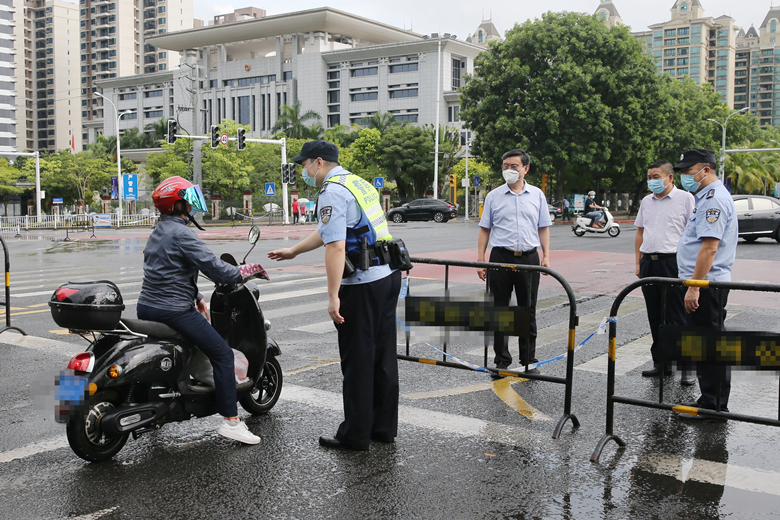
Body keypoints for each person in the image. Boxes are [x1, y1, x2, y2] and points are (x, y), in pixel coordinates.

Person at [268, 140, 401, 450]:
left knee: (357, 360)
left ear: (318, 162)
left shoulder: (331, 191)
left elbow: (336, 245)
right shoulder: (356, 182)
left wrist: (332, 296)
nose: (303, 171)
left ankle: (355, 435)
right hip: (387, 278)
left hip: (362, 285)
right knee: (382, 357)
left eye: (304, 165)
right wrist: (294, 250)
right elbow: (330, 229)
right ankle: (382, 429)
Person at [136, 176, 263, 445]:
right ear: (178, 205)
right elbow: (216, 269)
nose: (192, 206)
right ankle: (231, 422)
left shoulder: (159, 231)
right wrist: (248, 270)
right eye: (188, 201)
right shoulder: (183, 233)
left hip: (148, 307)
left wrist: (196, 295)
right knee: (221, 354)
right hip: (174, 311)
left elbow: (166, 270)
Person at [673, 149, 738, 420]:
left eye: (689, 171)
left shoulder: (713, 201)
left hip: (707, 285)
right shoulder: (706, 198)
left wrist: (694, 286)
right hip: (705, 283)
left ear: (706, 170)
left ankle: (714, 405)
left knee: (710, 346)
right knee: (706, 344)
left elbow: (709, 249)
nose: (686, 176)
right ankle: (709, 399)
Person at [477, 148, 551, 374]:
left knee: (526, 311)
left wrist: (546, 255)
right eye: (505, 166)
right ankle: (501, 361)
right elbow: (484, 229)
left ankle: (529, 360)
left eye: (514, 166)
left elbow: (543, 227)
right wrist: (481, 258)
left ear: (525, 169)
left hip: (529, 258)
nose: (508, 170)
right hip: (500, 257)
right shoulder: (493, 196)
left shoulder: (537, 195)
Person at [634, 159, 695, 385]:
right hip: (650, 261)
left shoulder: (686, 199)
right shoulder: (646, 202)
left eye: (656, 177)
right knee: (655, 315)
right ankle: (661, 364)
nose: (652, 181)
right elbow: (640, 232)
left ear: (670, 178)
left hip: (674, 262)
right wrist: (639, 261)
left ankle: (687, 367)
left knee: (678, 316)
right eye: (649, 177)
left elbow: (693, 233)